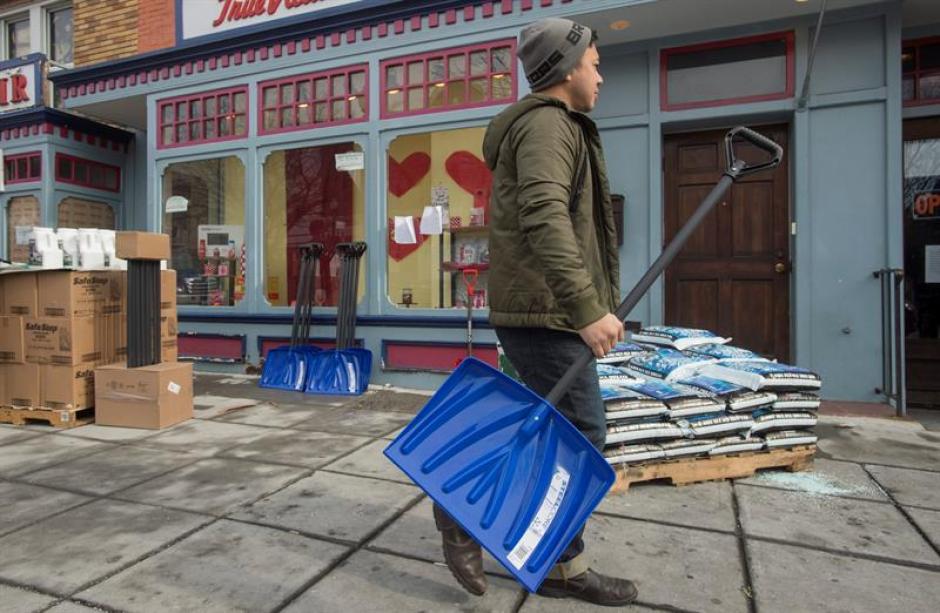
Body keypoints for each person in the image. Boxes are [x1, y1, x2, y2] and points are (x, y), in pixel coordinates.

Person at [432, 17, 638, 607]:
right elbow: (546, 217)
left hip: (543, 308)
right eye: (595, 63)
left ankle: (548, 555)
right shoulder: (549, 126)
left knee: (554, 429)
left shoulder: (557, 125)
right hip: (547, 312)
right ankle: (468, 512)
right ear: (568, 67)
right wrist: (586, 308)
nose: (600, 75)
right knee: (582, 434)